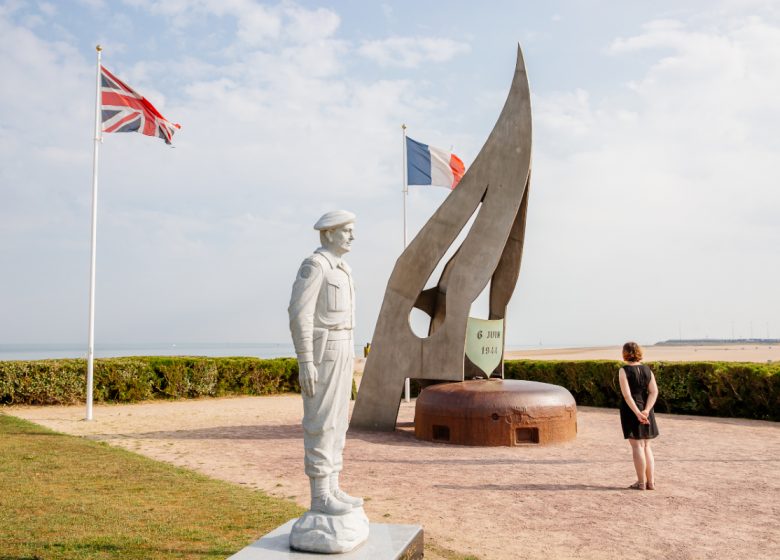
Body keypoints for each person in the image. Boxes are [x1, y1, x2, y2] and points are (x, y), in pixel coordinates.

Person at [288, 210, 363, 515]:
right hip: (324, 350)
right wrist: (305, 359)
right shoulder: (315, 266)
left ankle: (332, 486)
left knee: (338, 421)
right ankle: (320, 495)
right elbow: (299, 314)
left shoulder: (342, 269)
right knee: (321, 421)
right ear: (329, 233)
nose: (352, 236)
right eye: (346, 230)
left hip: (344, 345)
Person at [618, 341, 659, 490]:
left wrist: (637, 413)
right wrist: (646, 410)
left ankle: (641, 482)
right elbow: (654, 392)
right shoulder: (648, 370)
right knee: (647, 445)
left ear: (624, 353)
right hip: (647, 409)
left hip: (631, 410)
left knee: (637, 446)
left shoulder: (623, 370)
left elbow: (627, 396)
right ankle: (651, 482)